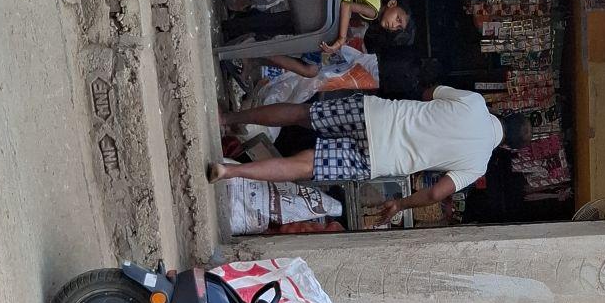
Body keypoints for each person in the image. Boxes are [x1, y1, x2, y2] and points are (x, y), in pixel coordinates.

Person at [211, 87, 530, 213]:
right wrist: (400, 203)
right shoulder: (478, 165)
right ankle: (229, 171)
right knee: (307, 164)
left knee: (301, 114)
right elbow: (435, 193)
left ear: (506, 113)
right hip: (380, 158)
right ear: (508, 147)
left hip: (375, 115)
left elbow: (429, 92)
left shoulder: (474, 102)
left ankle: (227, 119)